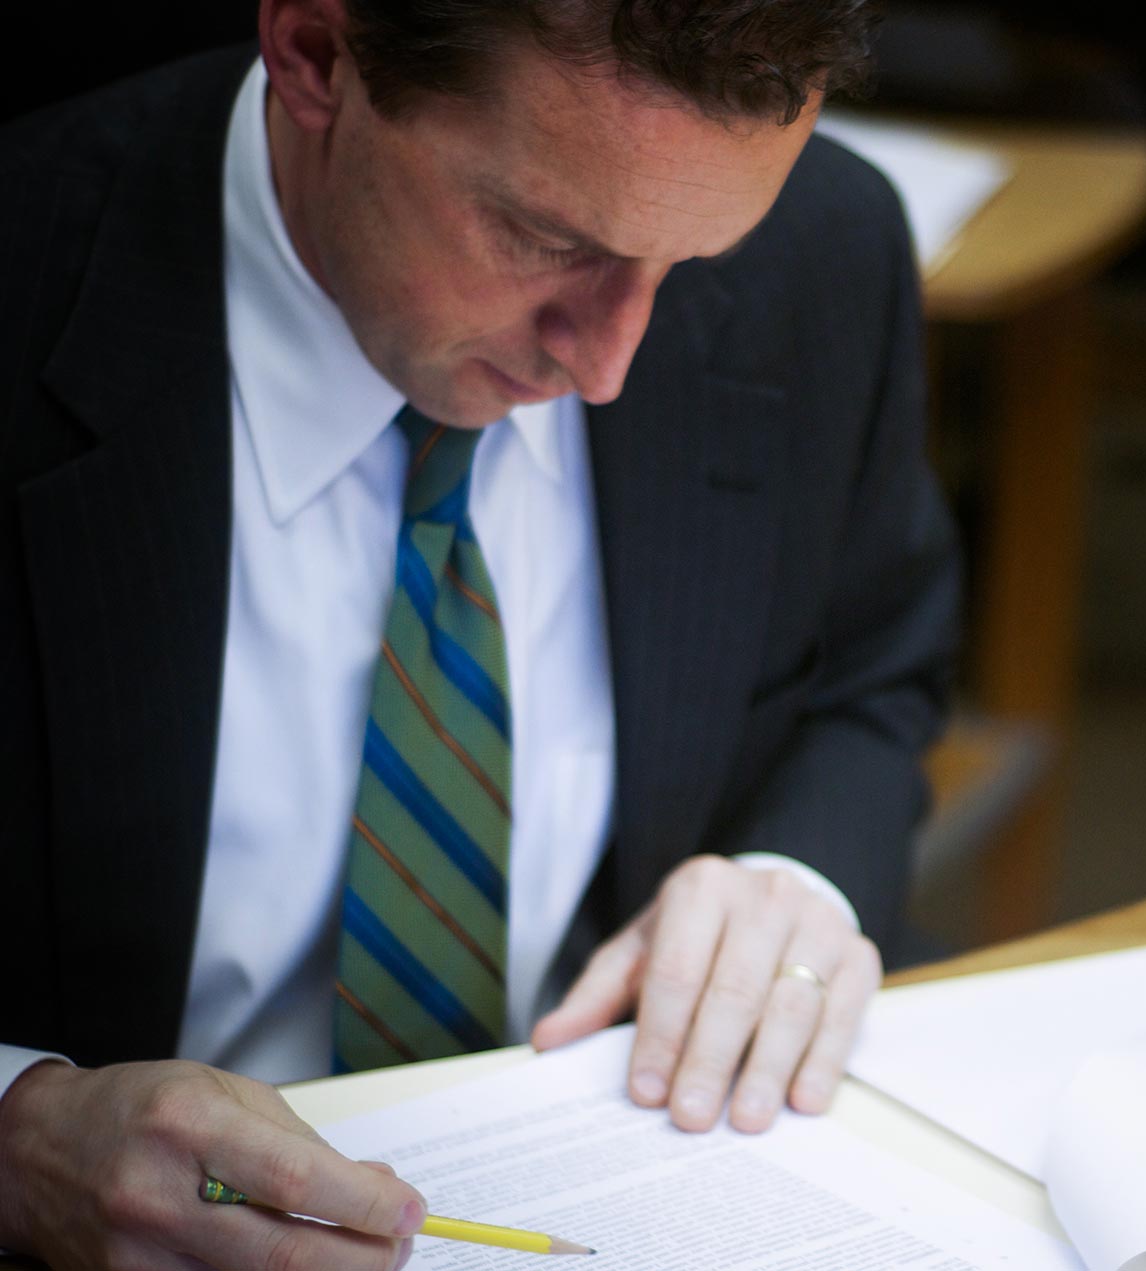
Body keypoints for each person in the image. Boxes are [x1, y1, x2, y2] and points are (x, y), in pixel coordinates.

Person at [0, 0, 960, 1264]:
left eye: (692, 264)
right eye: (541, 235)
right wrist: (19, 1138)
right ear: (316, 54)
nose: (609, 362)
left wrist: (794, 877)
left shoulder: (824, 252)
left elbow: (874, 669)